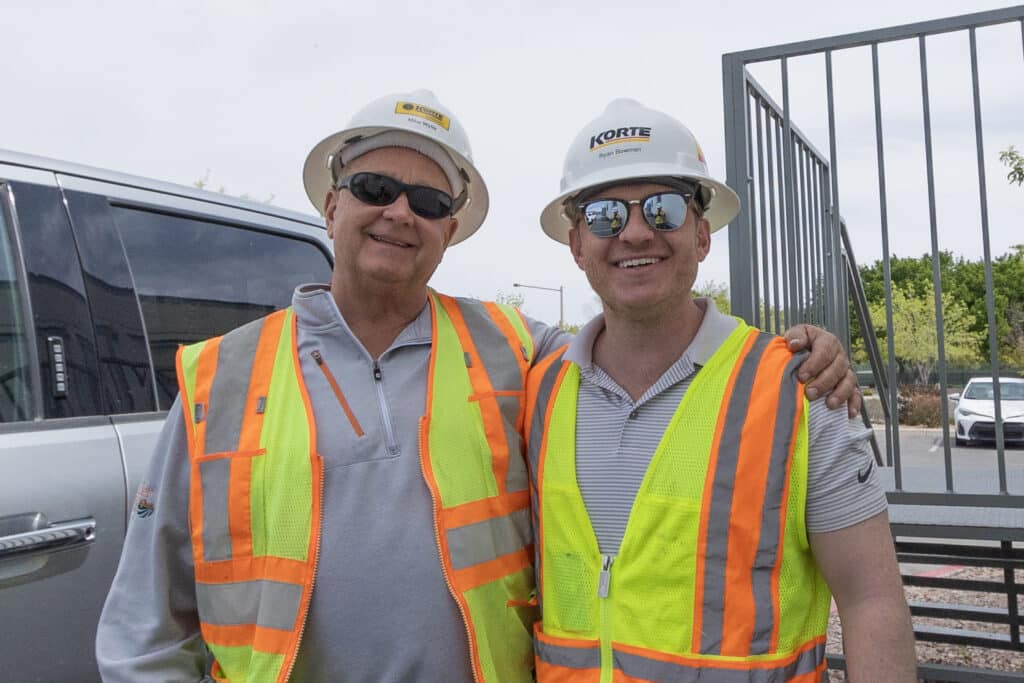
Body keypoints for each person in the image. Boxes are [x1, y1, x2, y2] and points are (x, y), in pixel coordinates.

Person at [96, 90, 860, 682]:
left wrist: (795, 351)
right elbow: (143, 632)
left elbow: (647, 338)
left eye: (430, 202)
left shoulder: (513, 350)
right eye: (374, 187)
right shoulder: (221, 378)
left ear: (451, 230)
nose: (401, 212)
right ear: (331, 206)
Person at [526, 99, 916, 682]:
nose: (636, 232)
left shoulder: (800, 389)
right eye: (604, 215)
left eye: (662, 209)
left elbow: (871, 601)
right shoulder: (539, 391)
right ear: (577, 245)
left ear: (702, 235)